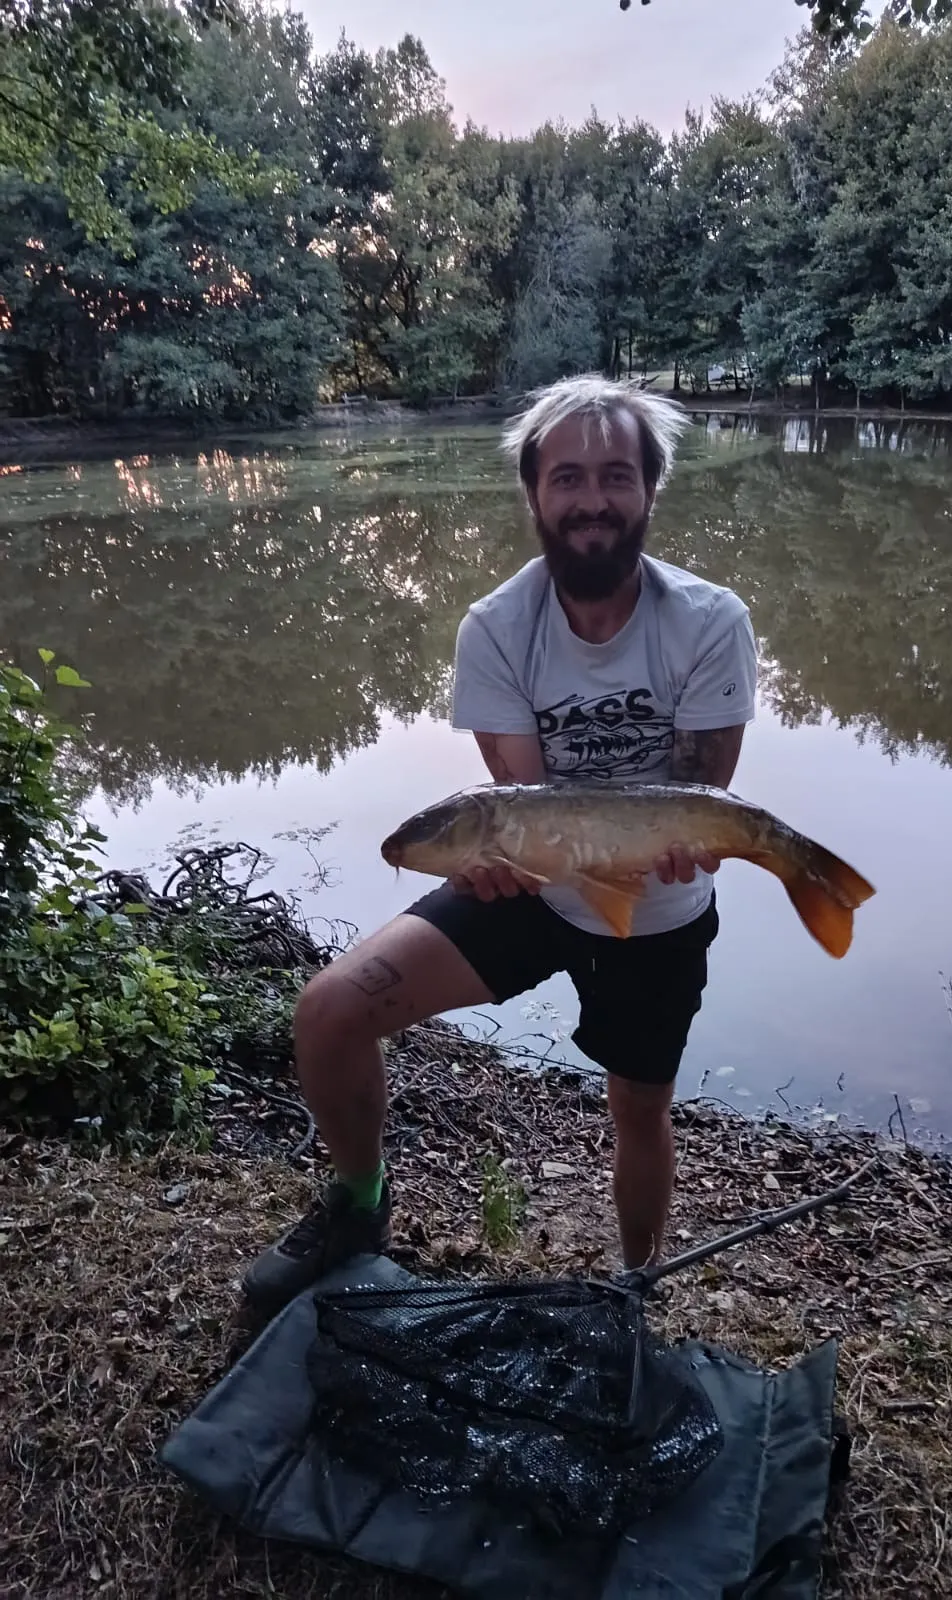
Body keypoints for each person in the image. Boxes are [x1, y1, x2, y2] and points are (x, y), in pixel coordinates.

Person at [242, 374, 758, 1318]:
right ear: (533, 496)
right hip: (530, 895)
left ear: (650, 490)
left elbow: (703, 795)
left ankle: (632, 1281)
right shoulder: (494, 628)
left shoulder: (711, 621)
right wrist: (495, 860)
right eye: (566, 479)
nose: (591, 500)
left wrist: (682, 848)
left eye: (614, 476)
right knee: (328, 1013)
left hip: (660, 907)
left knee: (639, 1109)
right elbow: (521, 799)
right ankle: (358, 1207)